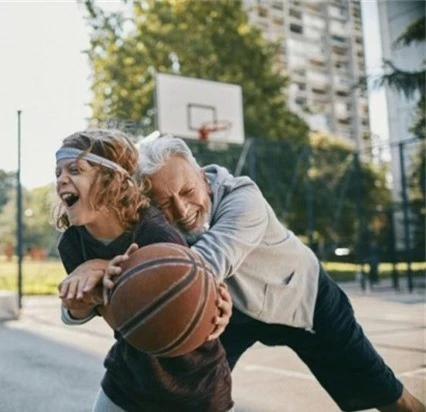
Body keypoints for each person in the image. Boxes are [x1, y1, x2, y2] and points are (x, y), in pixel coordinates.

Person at [135, 134, 425, 412]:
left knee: (388, 396)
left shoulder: (244, 199)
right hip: (231, 313)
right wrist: (97, 269)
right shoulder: (152, 220)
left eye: (187, 192)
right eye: (163, 204)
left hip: (301, 298)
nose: (181, 209)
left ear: (202, 177)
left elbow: (203, 266)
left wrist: (128, 275)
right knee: (189, 398)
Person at [54, 129, 234, 412]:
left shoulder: (154, 231)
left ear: (110, 180)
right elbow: (122, 323)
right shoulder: (72, 243)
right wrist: (79, 304)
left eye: (75, 170)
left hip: (196, 386)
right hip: (129, 380)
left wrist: (111, 272)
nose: (62, 179)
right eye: (58, 173)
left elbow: (190, 295)